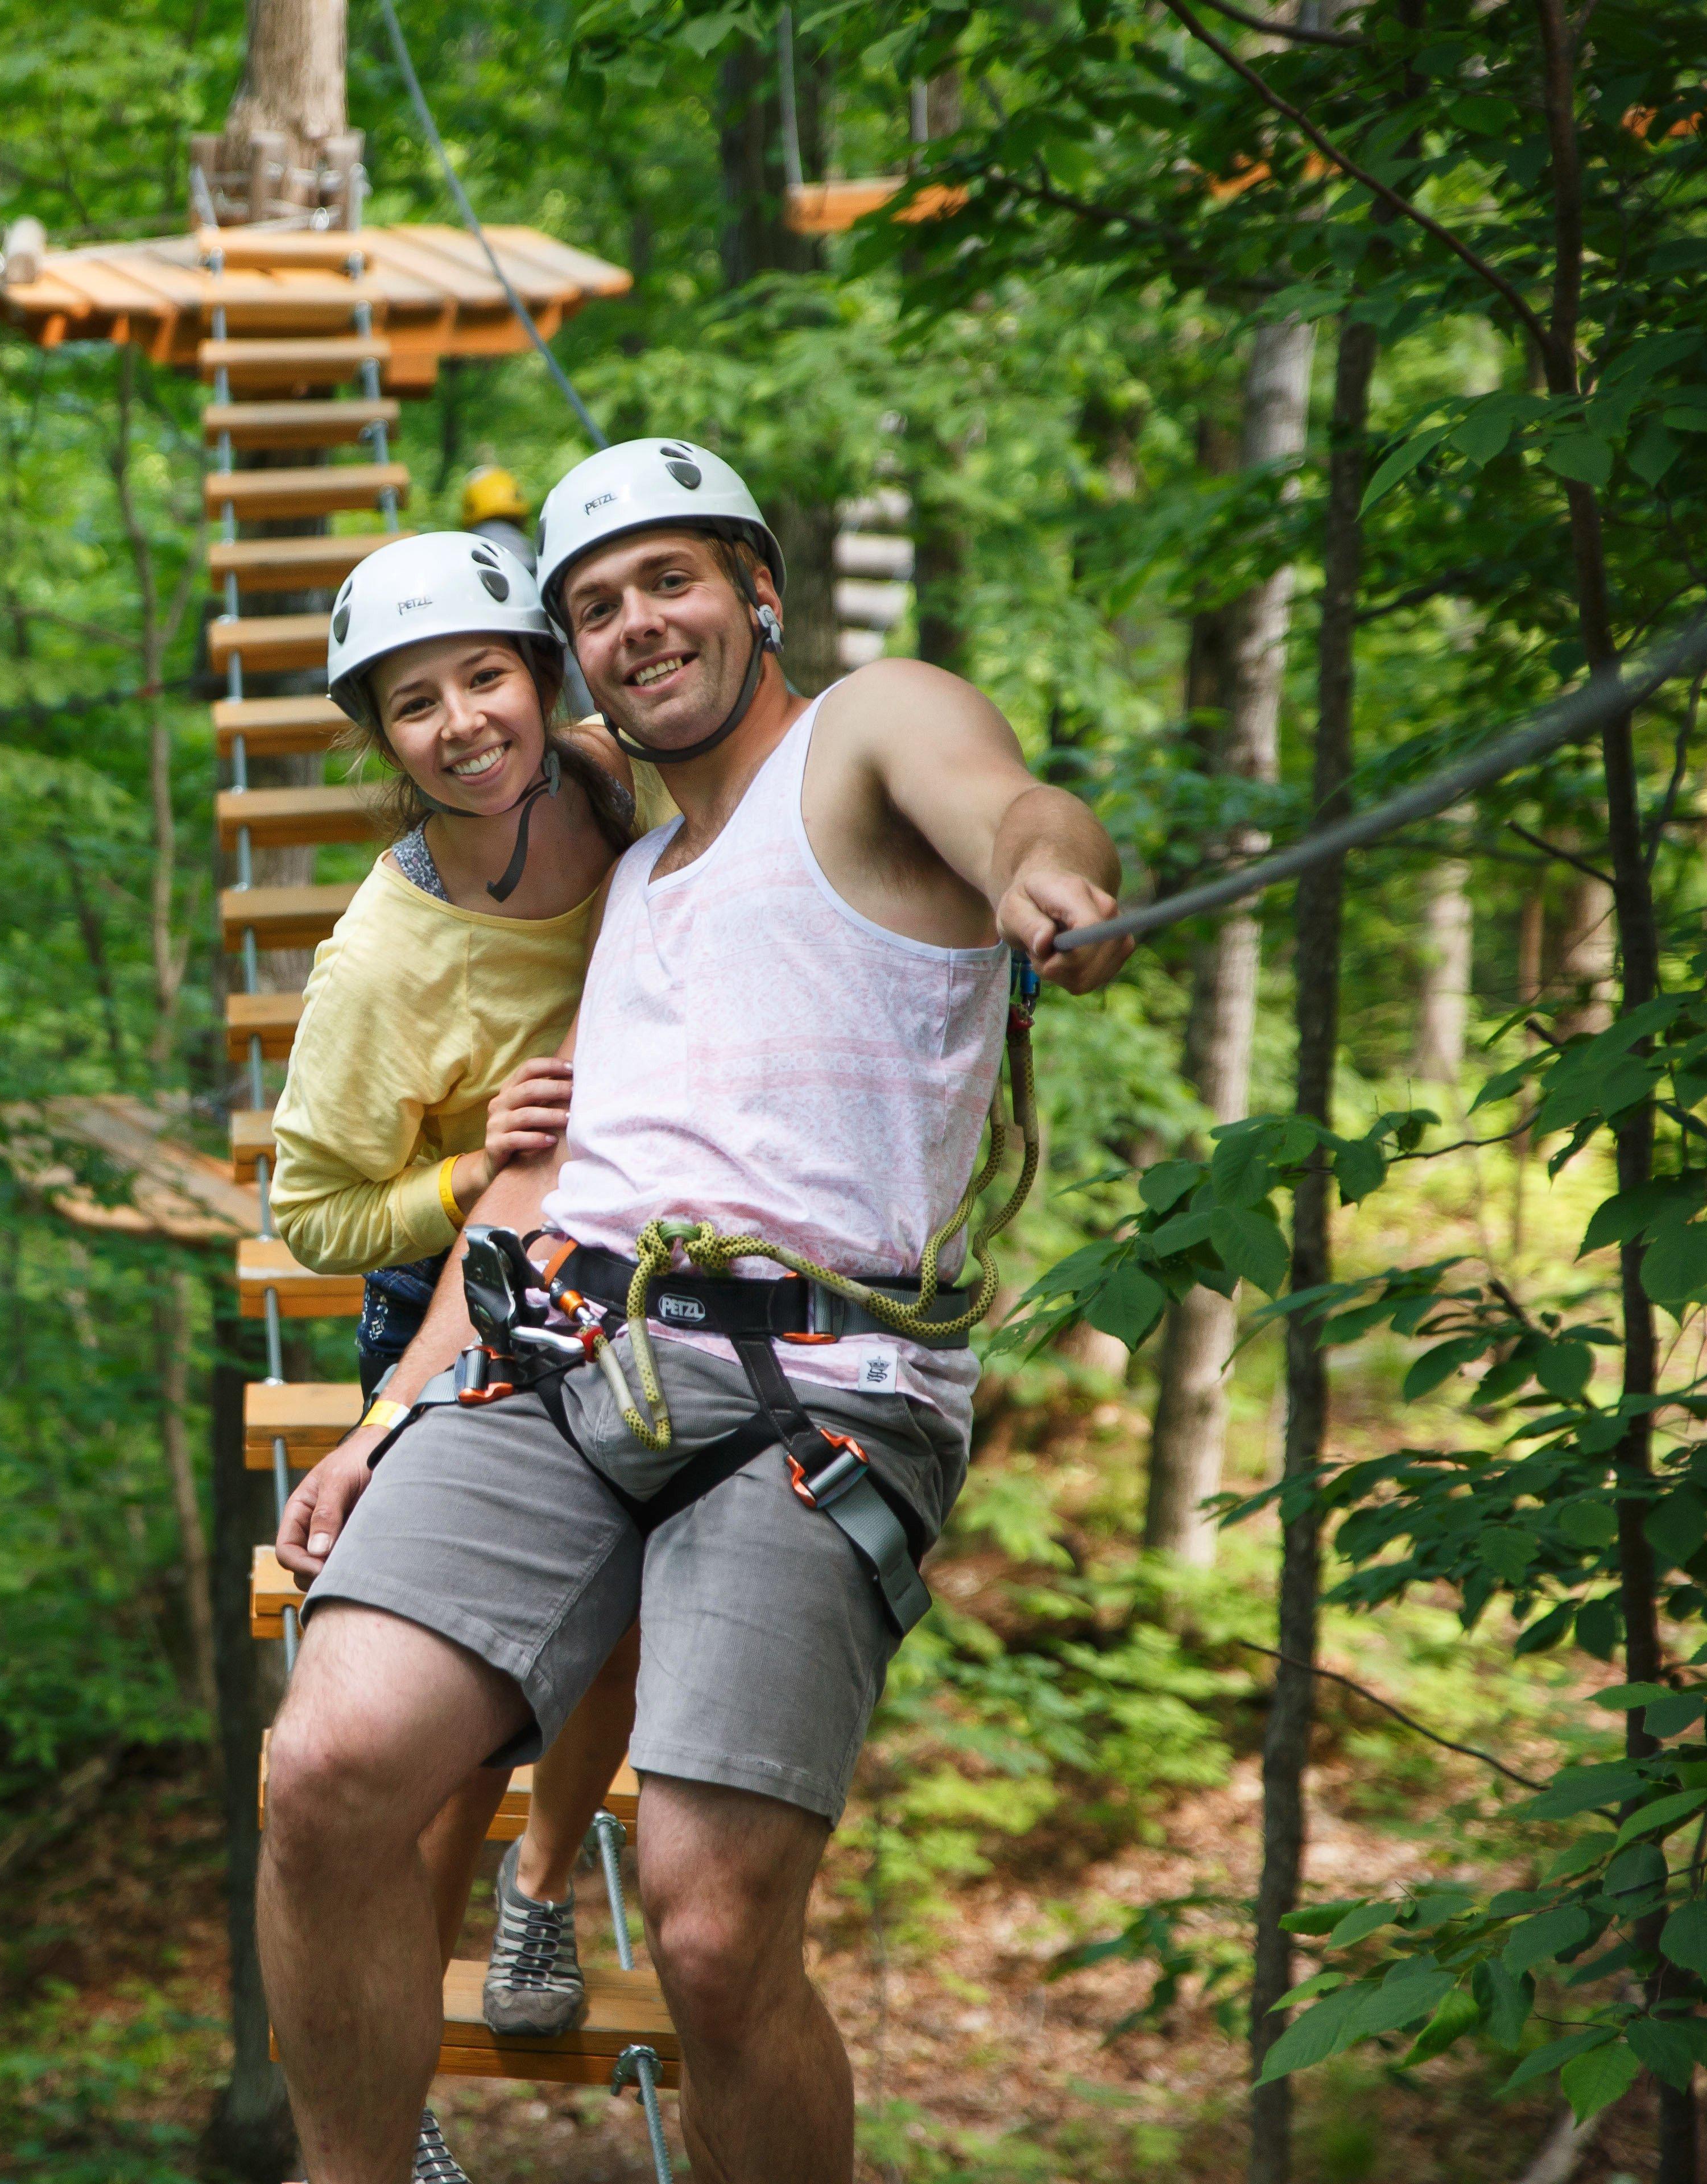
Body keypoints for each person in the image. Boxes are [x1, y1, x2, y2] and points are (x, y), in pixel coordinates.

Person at [256, 440, 1138, 2184]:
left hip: (823, 1390)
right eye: (596, 607)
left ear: (760, 592)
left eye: (673, 578)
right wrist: (382, 1420)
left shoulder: (867, 736)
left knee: (717, 1939)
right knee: (327, 1767)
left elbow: (1007, 804)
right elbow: (535, 1190)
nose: (638, 623)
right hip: (559, 1346)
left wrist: (1051, 874)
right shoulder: (636, 883)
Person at [267, 529, 673, 2184]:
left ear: (546, 682)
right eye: (414, 706)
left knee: (630, 1610)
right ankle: (399, 2054)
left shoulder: (598, 779)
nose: (462, 724)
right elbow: (310, 1208)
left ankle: (541, 1889)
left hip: (633, 1242)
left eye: (486, 678)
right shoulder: (383, 962)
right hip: (456, 1292)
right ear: (381, 743)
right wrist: (454, 1171)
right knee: (439, 1703)